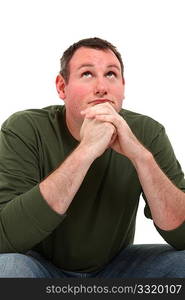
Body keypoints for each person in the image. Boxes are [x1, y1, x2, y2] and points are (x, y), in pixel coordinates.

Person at [0, 37, 185, 278]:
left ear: (123, 86)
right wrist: (87, 150)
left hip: (115, 270)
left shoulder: (148, 132)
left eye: (111, 74)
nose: (102, 87)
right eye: (87, 74)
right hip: (41, 270)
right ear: (62, 87)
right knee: (10, 269)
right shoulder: (25, 128)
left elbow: (181, 237)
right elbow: (6, 239)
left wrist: (141, 157)